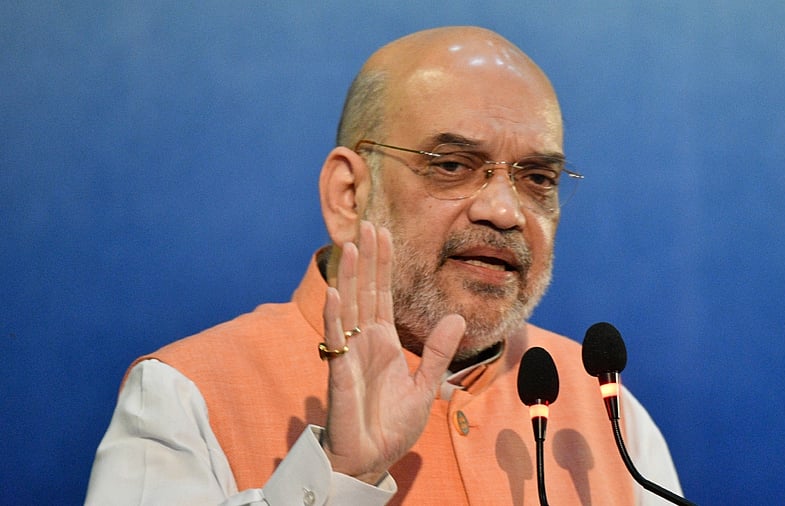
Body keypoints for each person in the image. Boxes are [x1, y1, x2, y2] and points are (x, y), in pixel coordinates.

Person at [86, 26, 683, 505]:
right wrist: (341, 475)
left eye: (537, 178)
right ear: (349, 196)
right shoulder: (184, 397)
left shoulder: (607, 412)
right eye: (451, 165)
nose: (505, 210)